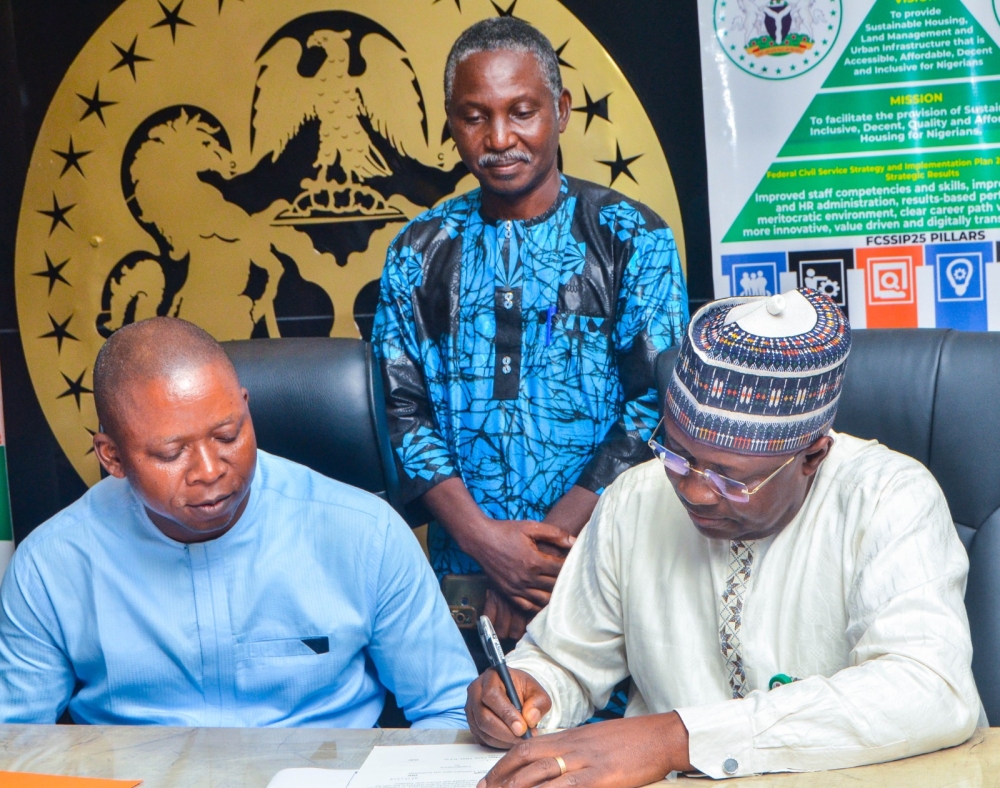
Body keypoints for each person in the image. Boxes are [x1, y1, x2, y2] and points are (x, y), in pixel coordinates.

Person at [465, 289, 983, 782]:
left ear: (811, 458)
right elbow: (566, 659)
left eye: (730, 478)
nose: (695, 492)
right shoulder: (636, 497)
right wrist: (527, 692)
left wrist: (678, 738)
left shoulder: (888, 496)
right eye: (676, 454)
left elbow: (927, 688)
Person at [372, 17, 688, 646]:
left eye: (521, 112)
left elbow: (654, 406)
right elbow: (404, 411)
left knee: (604, 736)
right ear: (450, 121)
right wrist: (487, 546)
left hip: (604, 557)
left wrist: (541, 560)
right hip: (463, 576)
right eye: (474, 116)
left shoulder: (631, 238)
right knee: (469, 730)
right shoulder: (418, 249)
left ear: (561, 110)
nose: (499, 138)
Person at [0, 317, 476, 727]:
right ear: (113, 457)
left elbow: (450, 711)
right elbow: (15, 743)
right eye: (171, 452)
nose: (209, 470)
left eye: (228, 434)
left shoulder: (366, 533)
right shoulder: (51, 564)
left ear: (247, 407)